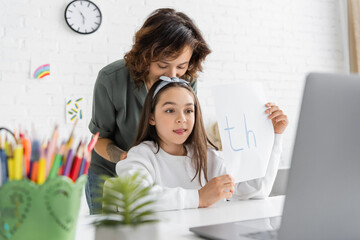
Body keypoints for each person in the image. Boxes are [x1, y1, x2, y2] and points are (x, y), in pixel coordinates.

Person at [86, 8, 211, 214]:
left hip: (157, 173)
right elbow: (98, 139)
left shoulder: (186, 78)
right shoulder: (111, 79)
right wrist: (128, 159)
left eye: (181, 66)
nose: (172, 76)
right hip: (110, 173)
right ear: (145, 56)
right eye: (162, 65)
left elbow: (187, 126)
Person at [115, 77, 288, 211]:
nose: (181, 119)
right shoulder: (141, 156)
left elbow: (256, 191)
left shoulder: (208, 157)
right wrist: (199, 197)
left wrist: (275, 136)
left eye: (189, 111)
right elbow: (133, 198)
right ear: (152, 117)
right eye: (170, 110)